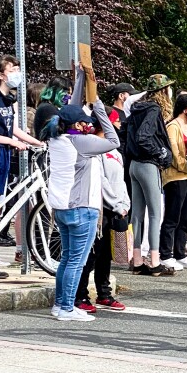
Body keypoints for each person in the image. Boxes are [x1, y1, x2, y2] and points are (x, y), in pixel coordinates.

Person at [43, 99, 120, 321]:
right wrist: (100, 111)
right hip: (82, 208)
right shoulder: (81, 142)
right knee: (76, 261)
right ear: (77, 125)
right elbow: (113, 140)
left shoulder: (57, 138)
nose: (88, 125)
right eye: (84, 122)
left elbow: (71, 108)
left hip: (63, 207)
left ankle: (60, 304)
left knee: (67, 259)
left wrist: (81, 79)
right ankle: (66, 308)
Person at [0, 55, 43, 281]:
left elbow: (13, 129)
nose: (16, 73)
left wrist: (37, 142)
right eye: (12, 69)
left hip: (2, 155)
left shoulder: (10, 100)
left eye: (18, 69)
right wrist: (11, 142)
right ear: (0, 74)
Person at [75, 108, 129, 312]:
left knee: (106, 253)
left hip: (116, 208)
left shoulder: (114, 151)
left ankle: (104, 293)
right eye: (116, 122)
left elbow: (120, 179)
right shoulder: (94, 149)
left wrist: (124, 203)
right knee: (91, 254)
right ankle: (81, 295)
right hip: (100, 208)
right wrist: (115, 203)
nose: (119, 125)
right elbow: (101, 181)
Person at [125, 74, 175, 276]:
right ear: (163, 91)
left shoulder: (136, 108)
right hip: (148, 164)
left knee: (137, 214)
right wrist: (161, 152)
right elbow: (144, 137)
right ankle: (155, 261)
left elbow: (131, 136)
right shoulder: (154, 109)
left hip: (134, 164)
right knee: (155, 213)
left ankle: (137, 260)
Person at [160, 93, 187, 271]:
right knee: (172, 216)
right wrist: (186, 165)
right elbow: (174, 153)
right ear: (185, 108)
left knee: (186, 216)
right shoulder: (173, 126)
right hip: (176, 176)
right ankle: (166, 253)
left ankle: (180, 252)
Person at [32, 75, 74, 139]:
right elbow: (58, 132)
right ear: (57, 91)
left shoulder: (48, 106)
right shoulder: (47, 109)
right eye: (67, 93)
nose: (69, 96)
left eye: (70, 94)